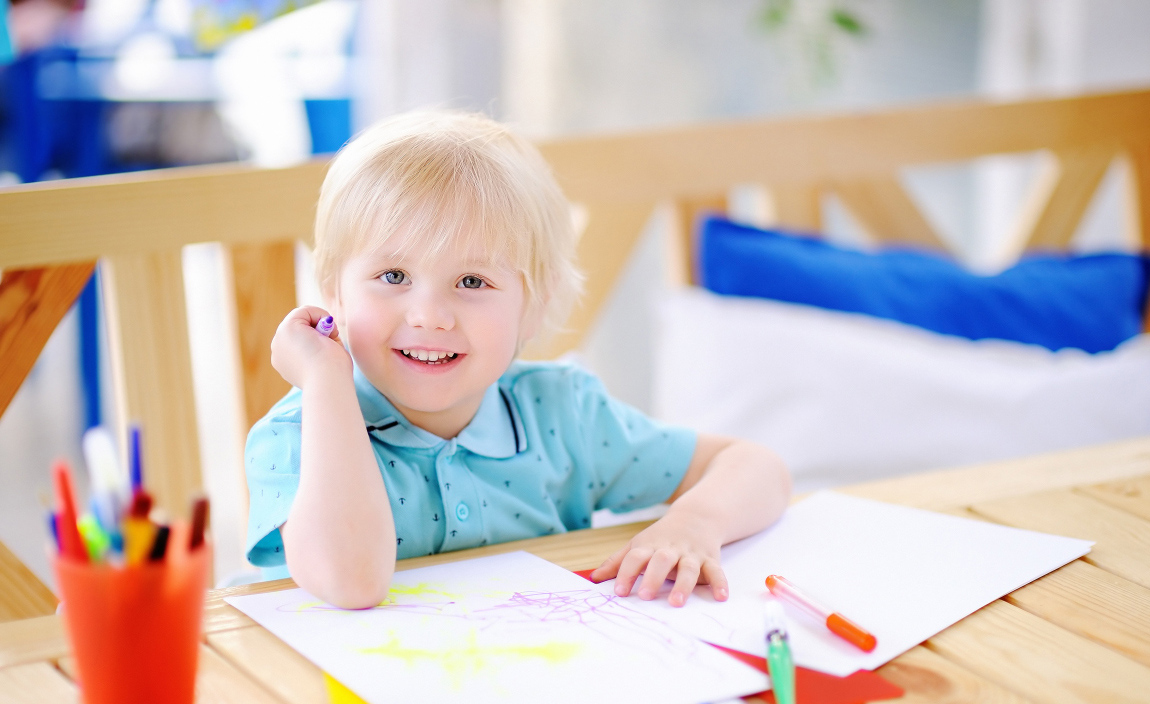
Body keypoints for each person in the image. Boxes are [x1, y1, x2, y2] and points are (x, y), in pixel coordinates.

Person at [245, 110, 790, 609]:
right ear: (334, 294)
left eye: (472, 280)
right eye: (393, 277)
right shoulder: (301, 434)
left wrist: (695, 523)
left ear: (533, 309)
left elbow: (756, 466)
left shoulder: (564, 414)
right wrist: (323, 382)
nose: (429, 315)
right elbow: (351, 583)